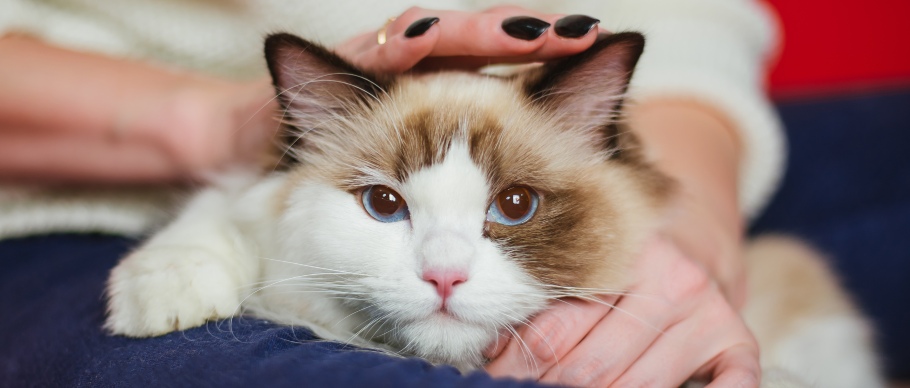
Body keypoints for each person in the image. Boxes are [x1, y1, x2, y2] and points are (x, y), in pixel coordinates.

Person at [0, 1, 783, 386]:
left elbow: (687, 21)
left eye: (510, 205)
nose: (444, 269)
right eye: (384, 204)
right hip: (85, 202)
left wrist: (688, 226)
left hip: (585, 121)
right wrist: (211, 124)